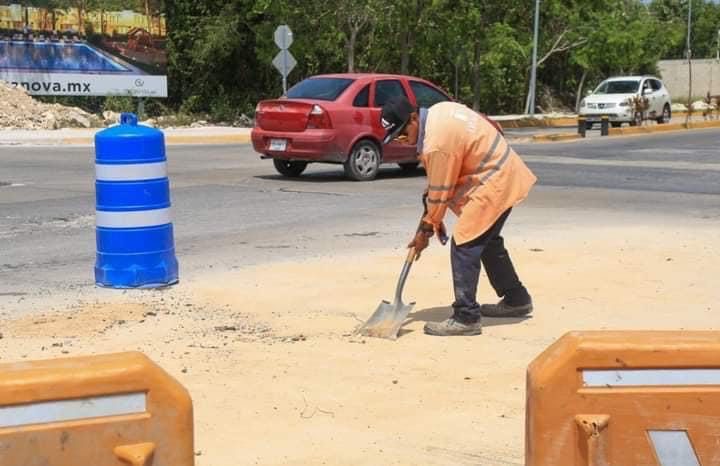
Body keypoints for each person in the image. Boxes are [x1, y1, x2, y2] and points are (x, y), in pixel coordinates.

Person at [381, 96, 537, 336]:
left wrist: (427, 228)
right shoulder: (438, 114)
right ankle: (517, 299)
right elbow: (437, 188)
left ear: (413, 118)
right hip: (503, 172)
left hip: (494, 181)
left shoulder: (437, 143)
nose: (403, 140)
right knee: (487, 242)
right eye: (398, 138)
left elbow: (440, 192)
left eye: (403, 133)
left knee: (465, 242)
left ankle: (466, 317)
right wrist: (427, 224)